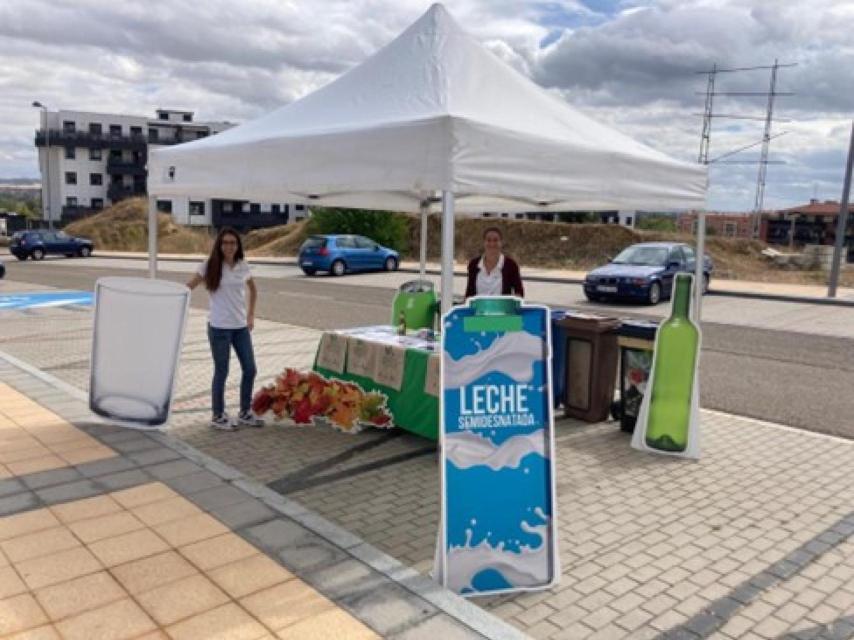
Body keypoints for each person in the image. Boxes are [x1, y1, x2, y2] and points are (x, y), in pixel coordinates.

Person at [187, 228, 264, 430]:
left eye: (233, 243)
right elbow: (189, 287)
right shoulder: (209, 266)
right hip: (219, 327)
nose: (229, 246)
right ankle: (218, 415)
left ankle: (245, 411)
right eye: (225, 243)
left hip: (240, 327)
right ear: (219, 245)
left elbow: (253, 290)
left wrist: (250, 314)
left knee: (250, 369)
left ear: (238, 246)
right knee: (222, 371)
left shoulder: (242, 265)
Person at [464, 226, 524, 298]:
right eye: (488, 240)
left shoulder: (511, 265)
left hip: (502, 309)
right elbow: (469, 293)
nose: (492, 244)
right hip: (478, 309)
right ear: (484, 242)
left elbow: (519, 293)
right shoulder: (473, 264)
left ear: (501, 242)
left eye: (495, 240)